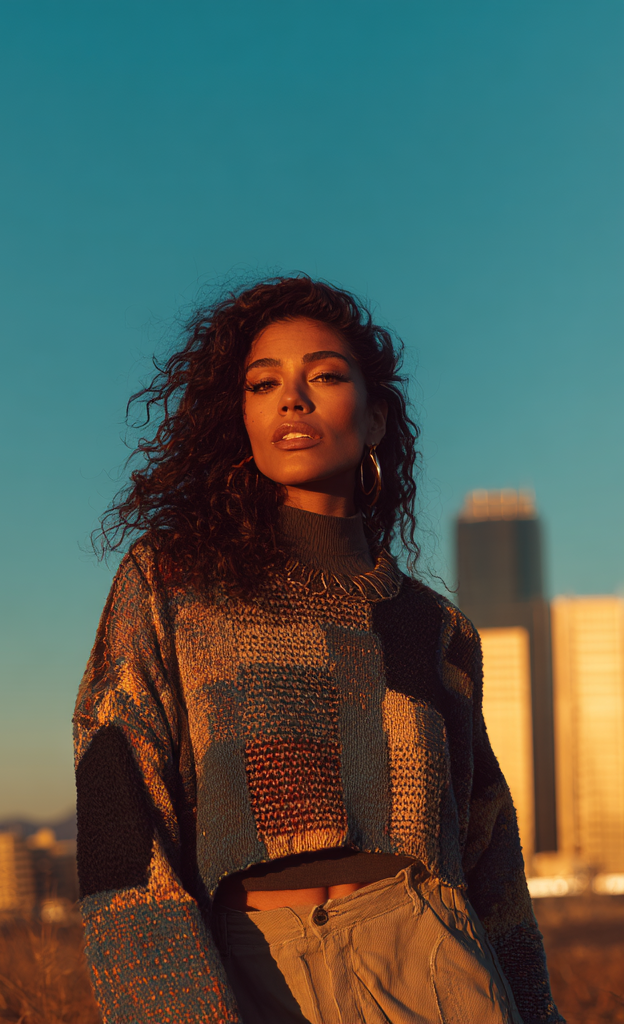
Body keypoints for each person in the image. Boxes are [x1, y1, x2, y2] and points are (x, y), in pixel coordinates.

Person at [72, 276, 562, 1024]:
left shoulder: (436, 628)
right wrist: (168, 1002)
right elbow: (118, 792)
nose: (290, 400)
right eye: (263, 384)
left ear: (374, 420)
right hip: (249, 964)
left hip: (436, 961)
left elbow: (490, 852)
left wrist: (536, 1008)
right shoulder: (172, 581)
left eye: (325, 376)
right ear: (239, 417)